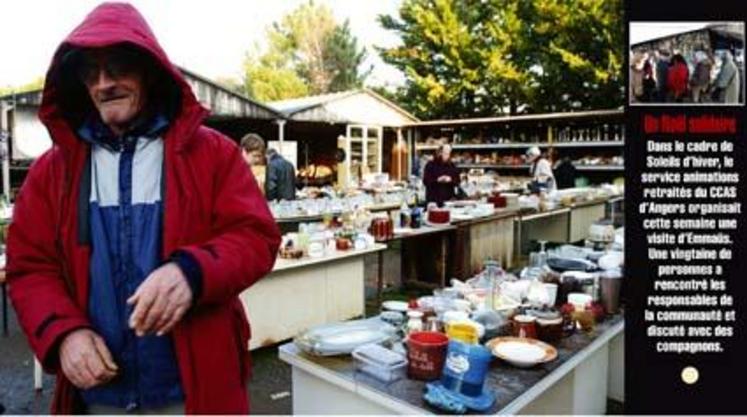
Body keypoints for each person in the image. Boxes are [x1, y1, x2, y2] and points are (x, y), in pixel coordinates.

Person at [7, 3, 281, 414]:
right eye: (90, 72)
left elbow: (256, 237)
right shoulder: (52, 172)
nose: (104, 84)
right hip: (97, 397)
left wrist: (192, 272)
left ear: (150, 70)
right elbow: (31, 267)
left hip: (193, 392)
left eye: (118, 66)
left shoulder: (212, 154)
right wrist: (64, 335)